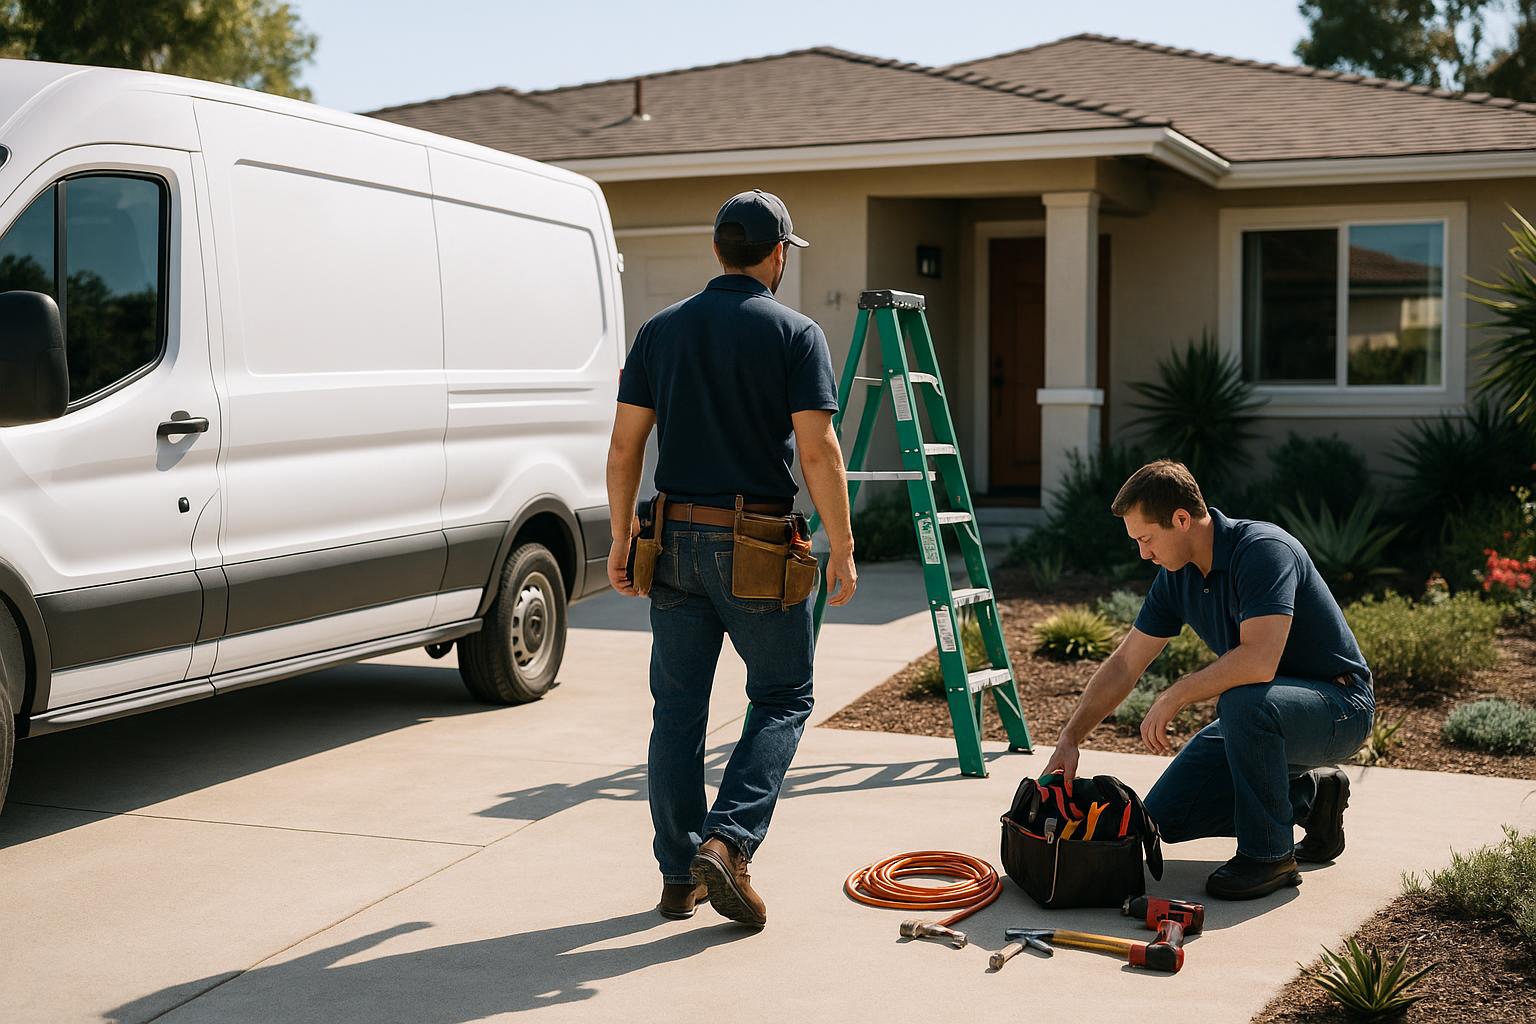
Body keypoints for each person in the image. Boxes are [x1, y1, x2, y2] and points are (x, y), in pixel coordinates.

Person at [605, 189, 858, 927]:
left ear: (718, 250)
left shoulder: (659, 331)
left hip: (672, 540)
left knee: (678, 710)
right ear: (778, 254)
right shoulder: (797, 334)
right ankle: (729, 841)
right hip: (759, 545)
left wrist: (621, 537)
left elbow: (623, 448)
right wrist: (842, 547)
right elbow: (819, 450)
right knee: (783, 696)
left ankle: (677, 875)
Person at [1042, 460, 1375, 900]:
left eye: (1146, 538)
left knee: (1243, 702)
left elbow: (1259, 661)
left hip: (1340, 707)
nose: (1143, 553)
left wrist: (1176, 693)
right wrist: (1070, 737)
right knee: (1165, 817)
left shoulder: (1262, 551)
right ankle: (1314, 800)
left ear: (1181, 519)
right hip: (1265, 714)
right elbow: (1125, 664)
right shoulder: (1175, 577)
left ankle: (1268, 857)